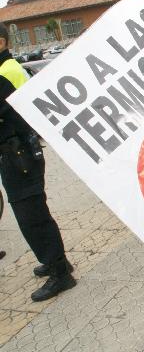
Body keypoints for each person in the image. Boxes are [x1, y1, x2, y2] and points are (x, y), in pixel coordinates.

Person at [0, 23, 76, 301]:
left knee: (30, 216)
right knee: (35, 212)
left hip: (18, 153)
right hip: (21, 152)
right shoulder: (9, 69)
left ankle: (60, 274)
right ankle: (56, 260)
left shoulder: (5, 72)